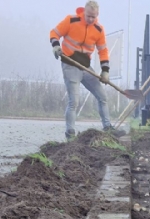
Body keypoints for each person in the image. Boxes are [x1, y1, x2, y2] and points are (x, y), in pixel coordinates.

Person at [50, 1, 113, 139]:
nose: (90, 19)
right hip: (70, 65)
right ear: (84, 12)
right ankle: (70, 133)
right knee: (74, 101)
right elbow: (54, 33)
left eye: (93, 17)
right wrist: (56, 46)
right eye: (88, 16)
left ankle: (108, 127)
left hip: (85, 67)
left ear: (97, 15)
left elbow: (103, 51)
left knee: (102, 97)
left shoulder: (99, 29)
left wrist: (105, 71)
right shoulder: (71, 20)